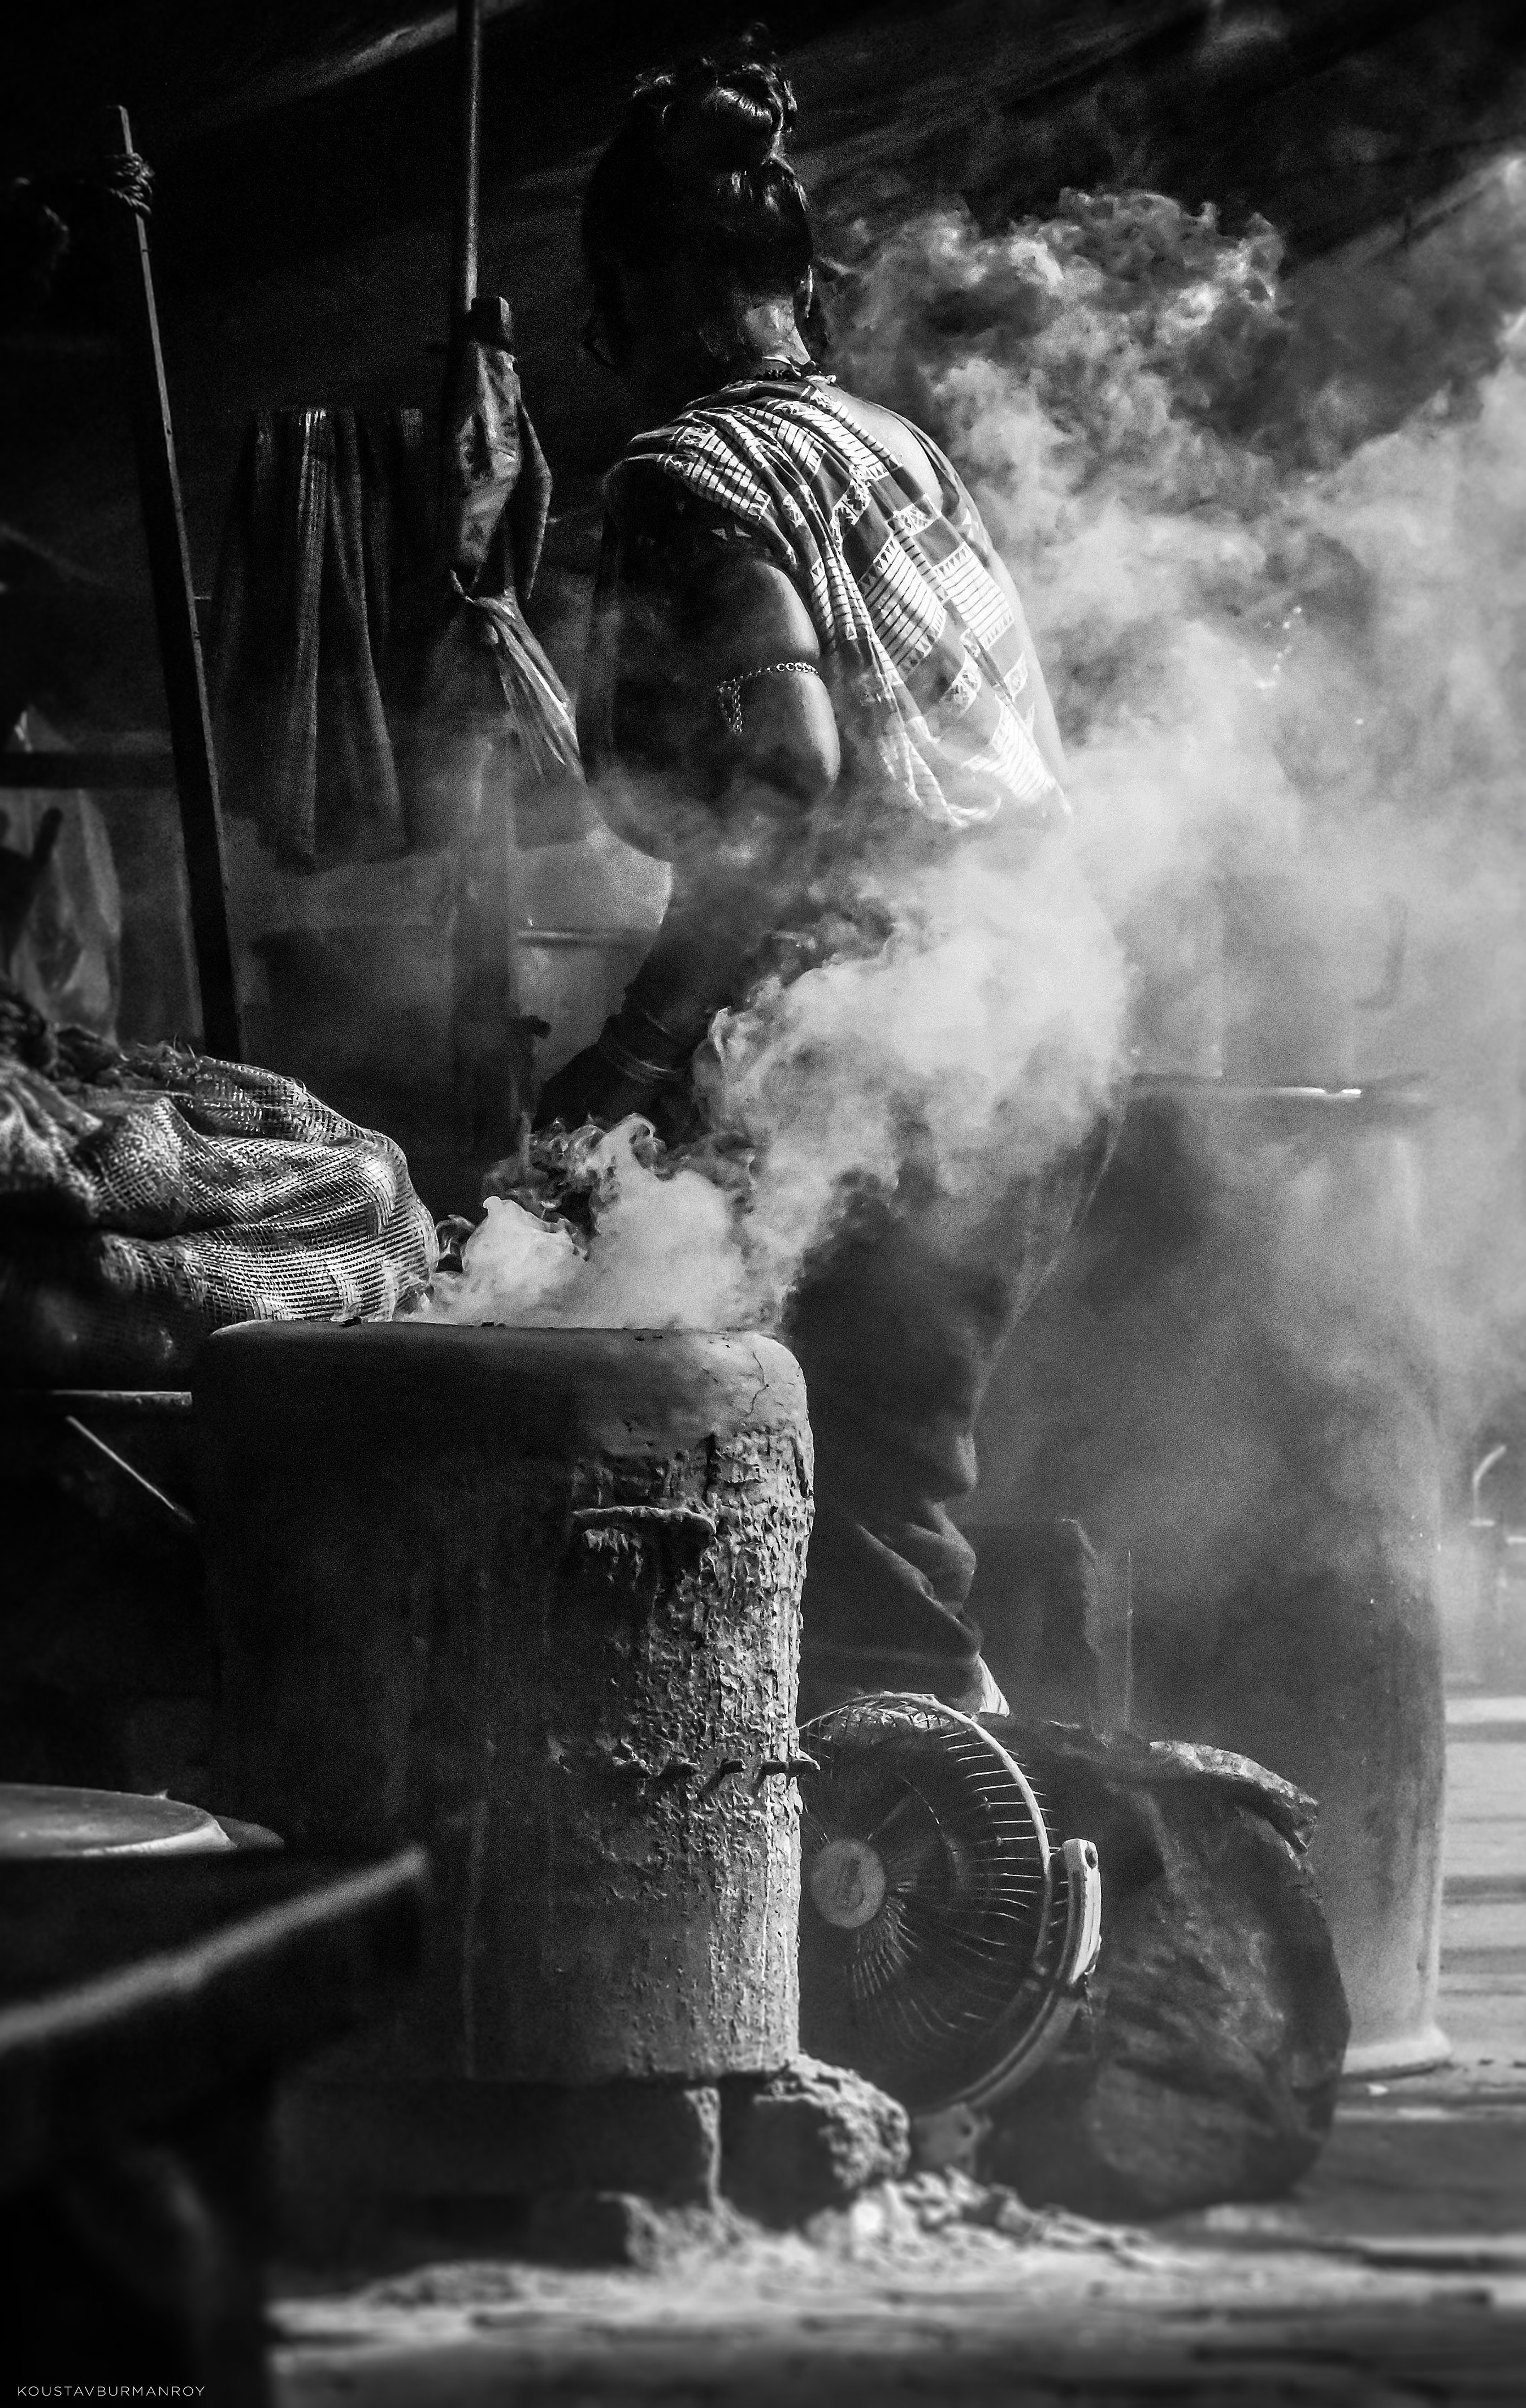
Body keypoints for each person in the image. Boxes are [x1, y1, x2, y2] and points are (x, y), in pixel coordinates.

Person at [537, 35, 1094, 1718]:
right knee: (887, 1504)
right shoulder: (895, 449)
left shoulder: (686, 476)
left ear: (642, 293)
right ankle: (997, 1885)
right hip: (1038, 1029)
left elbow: (784, 779)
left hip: (902, 1052)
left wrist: (632, 1058)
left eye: (601, 302)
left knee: (840, 1529)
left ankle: (941, 1921)